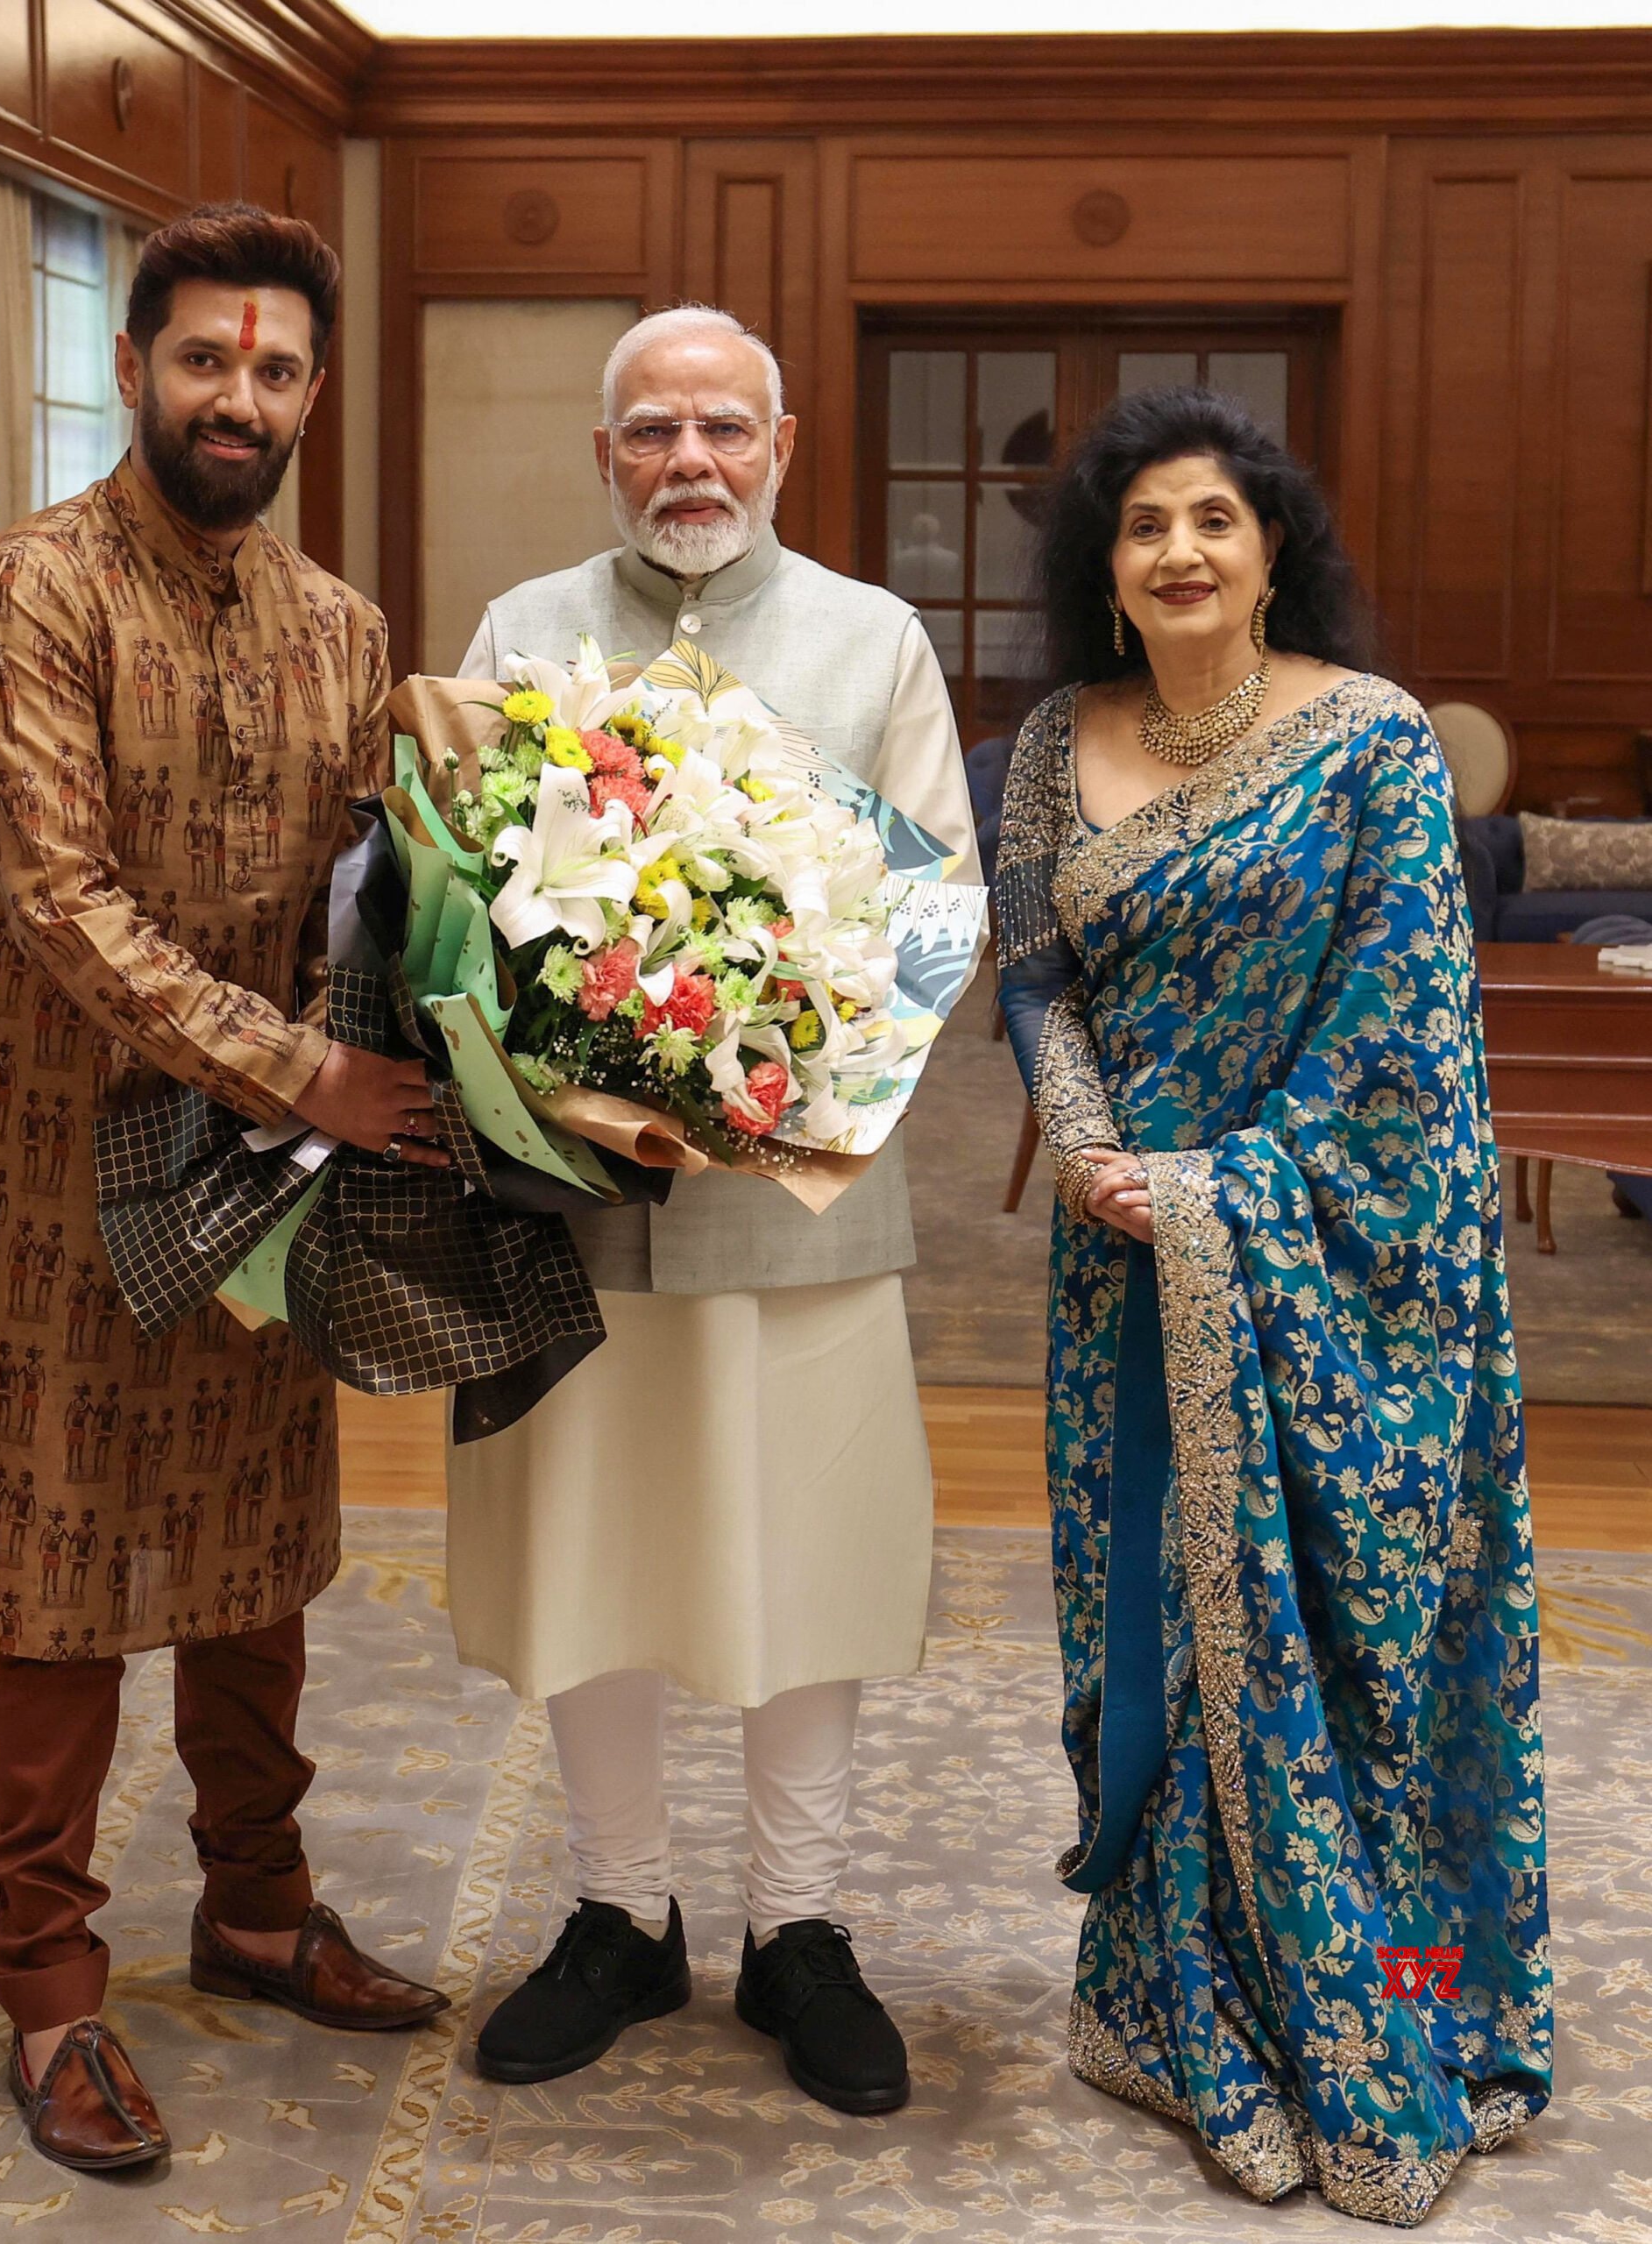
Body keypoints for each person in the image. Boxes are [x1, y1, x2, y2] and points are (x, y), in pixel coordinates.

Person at [0, 202, 457, 2177]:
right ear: (133, 371)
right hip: (59, 1172)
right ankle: (46, 1982)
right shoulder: (31, 589)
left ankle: (259, 1903)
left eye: (276, 365)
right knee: (51, 1570)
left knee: (249, 1546)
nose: (241, 394)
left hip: (258, 1185)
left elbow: (373, 888)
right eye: (205, 357)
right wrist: (313, 1069)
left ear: (309, 392)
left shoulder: (342, 623)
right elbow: (56, 903)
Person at [992, 387, 1551, 2224]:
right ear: (1102, 563)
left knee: (1342, 1638)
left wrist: (1219, 1191)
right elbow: (1032, 975)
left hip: (1319, 1260)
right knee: (1148, 1610)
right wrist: (1085, 1147)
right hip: (1117, 1258)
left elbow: (1403, 1031)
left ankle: (1371, 2000)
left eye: (1209, 520)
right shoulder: (1050, 743)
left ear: (1268, 545)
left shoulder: (1367, 739)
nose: (1174, 551)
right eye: (1140, 524)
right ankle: (1179, 2007)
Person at [450, 306, 981, 2116]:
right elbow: (457, 897)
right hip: (569, 1205)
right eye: (651, 428)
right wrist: (581, 1081)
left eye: (722, 428)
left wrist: (753, 1081)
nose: (689, 459)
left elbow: (933, 918)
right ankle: (615, 1911)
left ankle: (799, 1930)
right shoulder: (522, 635)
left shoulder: (871, 637)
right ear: (605, 454)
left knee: (805, 1560)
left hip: (799, 1208)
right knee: (588, 1549)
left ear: (781, 444)